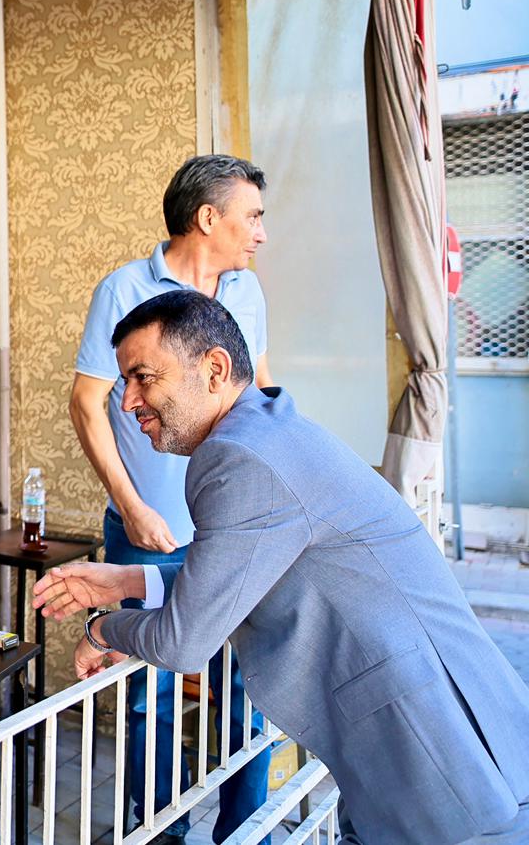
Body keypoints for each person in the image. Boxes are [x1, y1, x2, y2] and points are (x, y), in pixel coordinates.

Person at [36, 291, 529, 845]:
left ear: (215, 369)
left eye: (143, 377)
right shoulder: (268, 428)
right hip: (433, 731)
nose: (127, 402)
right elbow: (254, 574)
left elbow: (183, 643)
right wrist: (131, 580)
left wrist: (102, 630)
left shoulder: (236, 457)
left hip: (439, 752)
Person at [68, 154, 271, 843]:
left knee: (248, 682)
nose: (260, 234)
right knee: (148, 691)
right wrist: (130, 505)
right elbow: (89, 402)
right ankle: (163, 829)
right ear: (207, 217)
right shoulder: (124, 289)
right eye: (253, 216)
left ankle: (247, 828)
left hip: (236, 524)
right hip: (148, 527)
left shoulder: (247, 292)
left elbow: (259, 392)